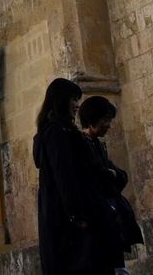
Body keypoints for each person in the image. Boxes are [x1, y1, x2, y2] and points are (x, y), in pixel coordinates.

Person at [34, 78, 112, 275]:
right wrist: (77, 215)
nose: (77, 105)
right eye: (73, 99)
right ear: (62, 100)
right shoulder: (56, 133)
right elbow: (64, 176)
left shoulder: (59, 131)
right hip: (68, 222)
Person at [77, 96, 143, 268]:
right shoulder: (82, 145)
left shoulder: (97, 144)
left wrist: (111, 175)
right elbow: (99, 175)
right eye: (105, 120)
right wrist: (110, 175)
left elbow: (118, 175)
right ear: (93, 119)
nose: (108, 125)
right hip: (99, 216)